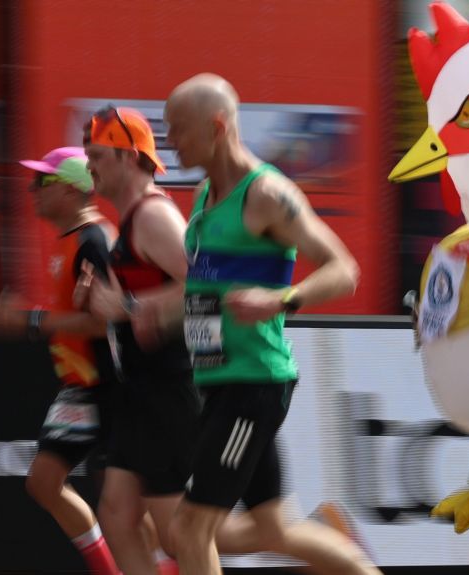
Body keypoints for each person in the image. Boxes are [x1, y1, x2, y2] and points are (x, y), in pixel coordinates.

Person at [162, 73, 377, 575]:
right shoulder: (203, 198)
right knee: (273, 530)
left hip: (252, 383)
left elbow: (343, 268)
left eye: (178, 128)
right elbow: (207, 288)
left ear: (217, 126)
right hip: (218, 382)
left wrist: (280, 299)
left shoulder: (267, 193)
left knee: (188, 530)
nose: (170, 139)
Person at [79, 105, 200, 575]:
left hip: (170, 388)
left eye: (97, 155)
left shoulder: (153, 216)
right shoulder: (133, 219)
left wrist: (125, 308)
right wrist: (102, 300)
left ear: (129, 158)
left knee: (180, 534)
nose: (88, 164)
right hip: (143, 390)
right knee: (116, 513)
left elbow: (205, 286)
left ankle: (309, 537)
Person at [0, 147, 119, 574]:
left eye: (42, 181)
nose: (32, 189)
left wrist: (31, 319)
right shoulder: (70, 242)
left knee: (128, 506)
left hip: (112, 389)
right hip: (80, 387)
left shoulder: (93, 241)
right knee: (45, 483)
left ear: (70, 189)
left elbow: (105, 325)